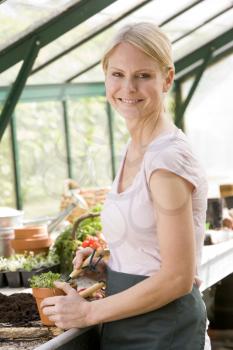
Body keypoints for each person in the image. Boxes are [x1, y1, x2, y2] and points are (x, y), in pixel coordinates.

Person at [41, 22, 211, 350]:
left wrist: (88, 313)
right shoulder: (135, 147)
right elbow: (151, 254)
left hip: (164, 331)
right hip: (130, 322)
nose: (128, 87)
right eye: (117, 74)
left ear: (168, 79)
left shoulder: (166, 161)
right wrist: (109, 261)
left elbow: (177, 278)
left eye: (143, 76)